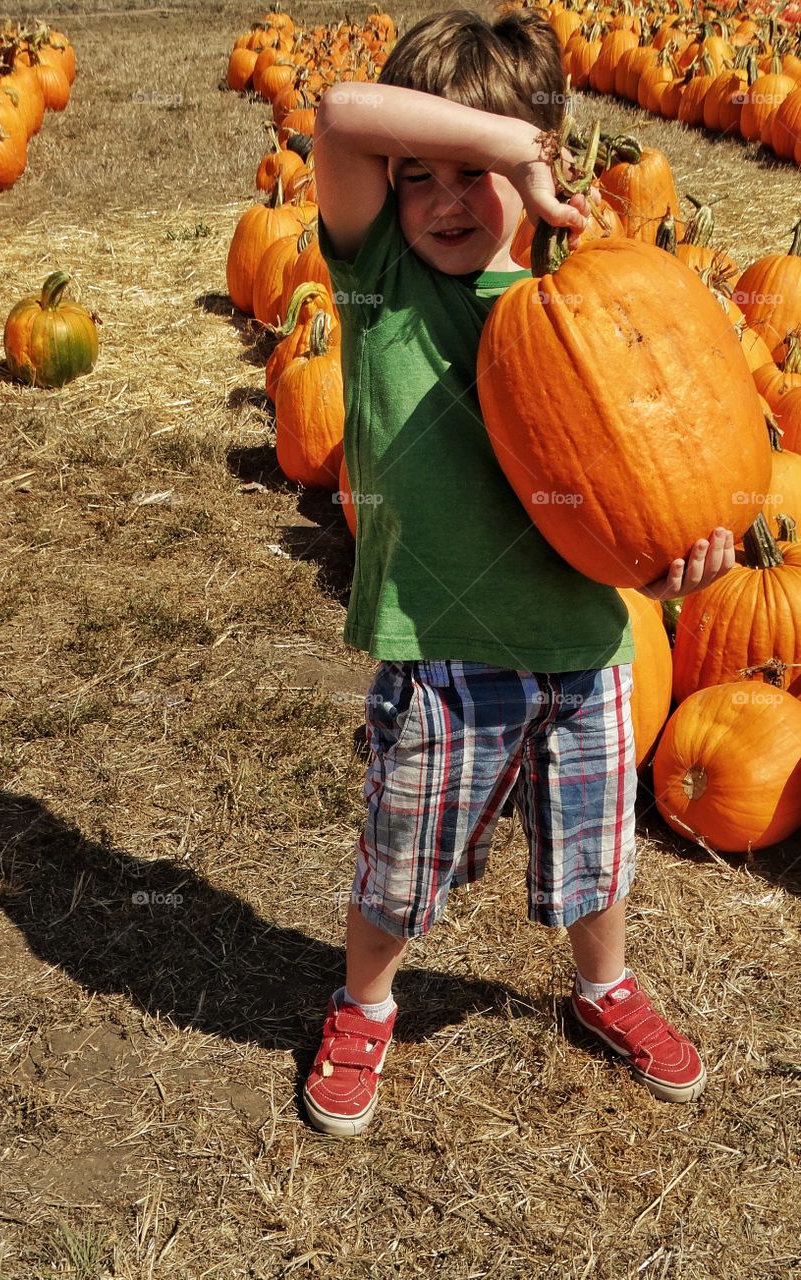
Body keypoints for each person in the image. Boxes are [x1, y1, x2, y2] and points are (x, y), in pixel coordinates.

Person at [303, 6, 734, 1138]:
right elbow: (339, 112)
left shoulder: (587, 292)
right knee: (403, 861)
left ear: (538, 156)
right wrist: (508, 151)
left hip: (584, 646)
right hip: (440, 647)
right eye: (423, 174)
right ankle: (365, 1001)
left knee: (595, 857)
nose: (446, 199)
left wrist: (697, 548)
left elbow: (671, 451)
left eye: (475, 171)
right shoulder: (378, 276)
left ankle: (603, 986)